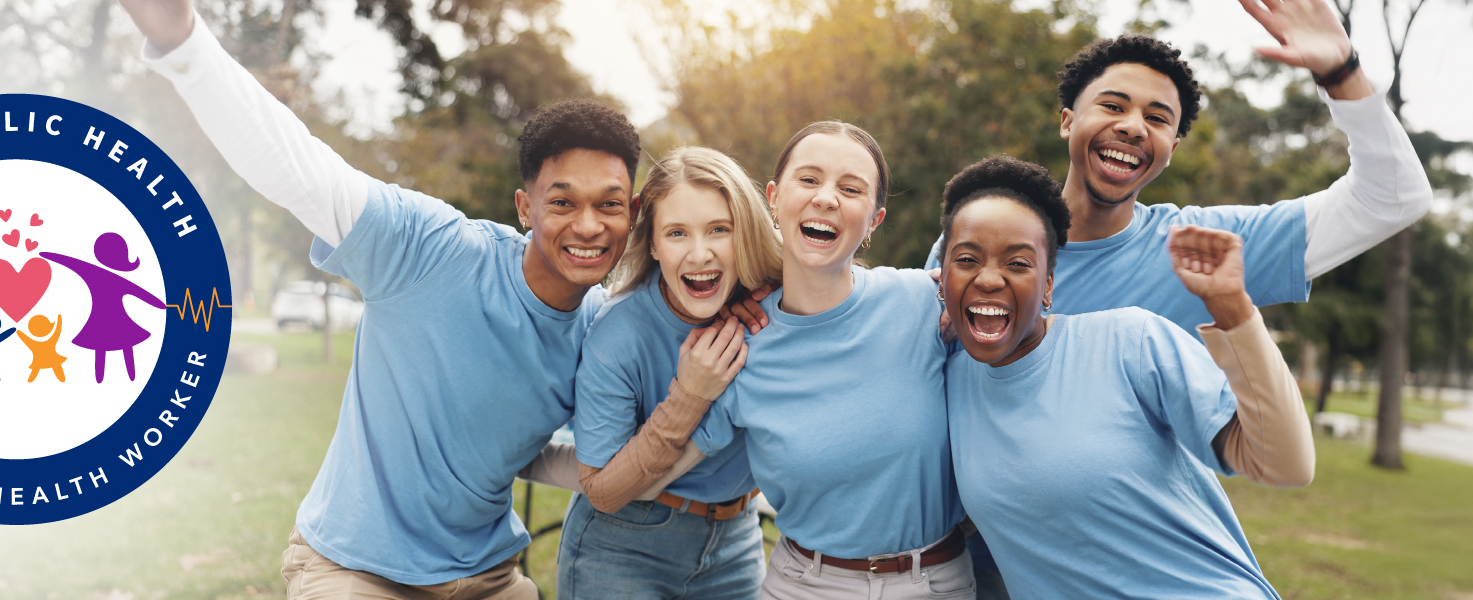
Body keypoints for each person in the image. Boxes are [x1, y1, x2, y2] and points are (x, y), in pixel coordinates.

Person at [118, 1, 645, 595]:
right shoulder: (430, 249)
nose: (588, 225)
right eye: (563, 202)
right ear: (526, 208)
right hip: (353, 568)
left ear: (631, 214)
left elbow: (575, 447)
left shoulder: (604, 329)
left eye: (610, 204)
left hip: (487, 576)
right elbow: (298, 167)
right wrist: (186, 46)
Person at [922, 0, 1430, 591]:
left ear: (1170, 147)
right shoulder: (981, 255)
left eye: (1159, 118)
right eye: (1113, 105)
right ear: (1067, 120)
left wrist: (1341, 73)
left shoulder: (1204, 250)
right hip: (997, 563)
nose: (1135, 125)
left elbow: (1394, 198)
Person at [936, 156, 1314, 598]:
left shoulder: (1129, 341)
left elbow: (1286, 465)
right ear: (942, 278)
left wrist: (1233, 307)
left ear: (1049, 285)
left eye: (1018, 263)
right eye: (967, 259)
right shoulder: (950, 383)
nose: (988, 278)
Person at [688, 122, 972, 599]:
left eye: (850, 188)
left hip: (938, 582)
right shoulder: (737, 346)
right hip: (803, 586)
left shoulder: (926, 302)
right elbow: (667, 466)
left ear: (874, 220)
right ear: (774, 198)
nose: (826, 198)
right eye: (809, 179)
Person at [530, 147, 783, 599]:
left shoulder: (772, 302)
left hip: (737, 537)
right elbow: (604, 492)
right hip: (623, 546)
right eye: (677, 233)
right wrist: (690, 395)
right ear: (653, 243)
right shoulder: (618, 335)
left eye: (718, 230)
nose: (700, 253)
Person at [40, 233, 162, 383]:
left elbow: (70, 262)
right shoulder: (113, 279)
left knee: (103, 347)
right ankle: (127, 377)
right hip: (115, 322)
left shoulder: (92, 272)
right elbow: (144, 295)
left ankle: (108, 379)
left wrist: (47, 254)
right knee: (123, 347)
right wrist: (160, 305)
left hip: (103, 321)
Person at [17, 314, 68, 383]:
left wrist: (18, 331)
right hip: (53, 360)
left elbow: (23, 337)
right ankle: (62, 379)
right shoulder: (52, 341)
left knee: (35, 371)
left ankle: (30, 381)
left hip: (39, 362)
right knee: (56, 367)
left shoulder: (33, 344)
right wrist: (59, 320)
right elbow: (57, 330)